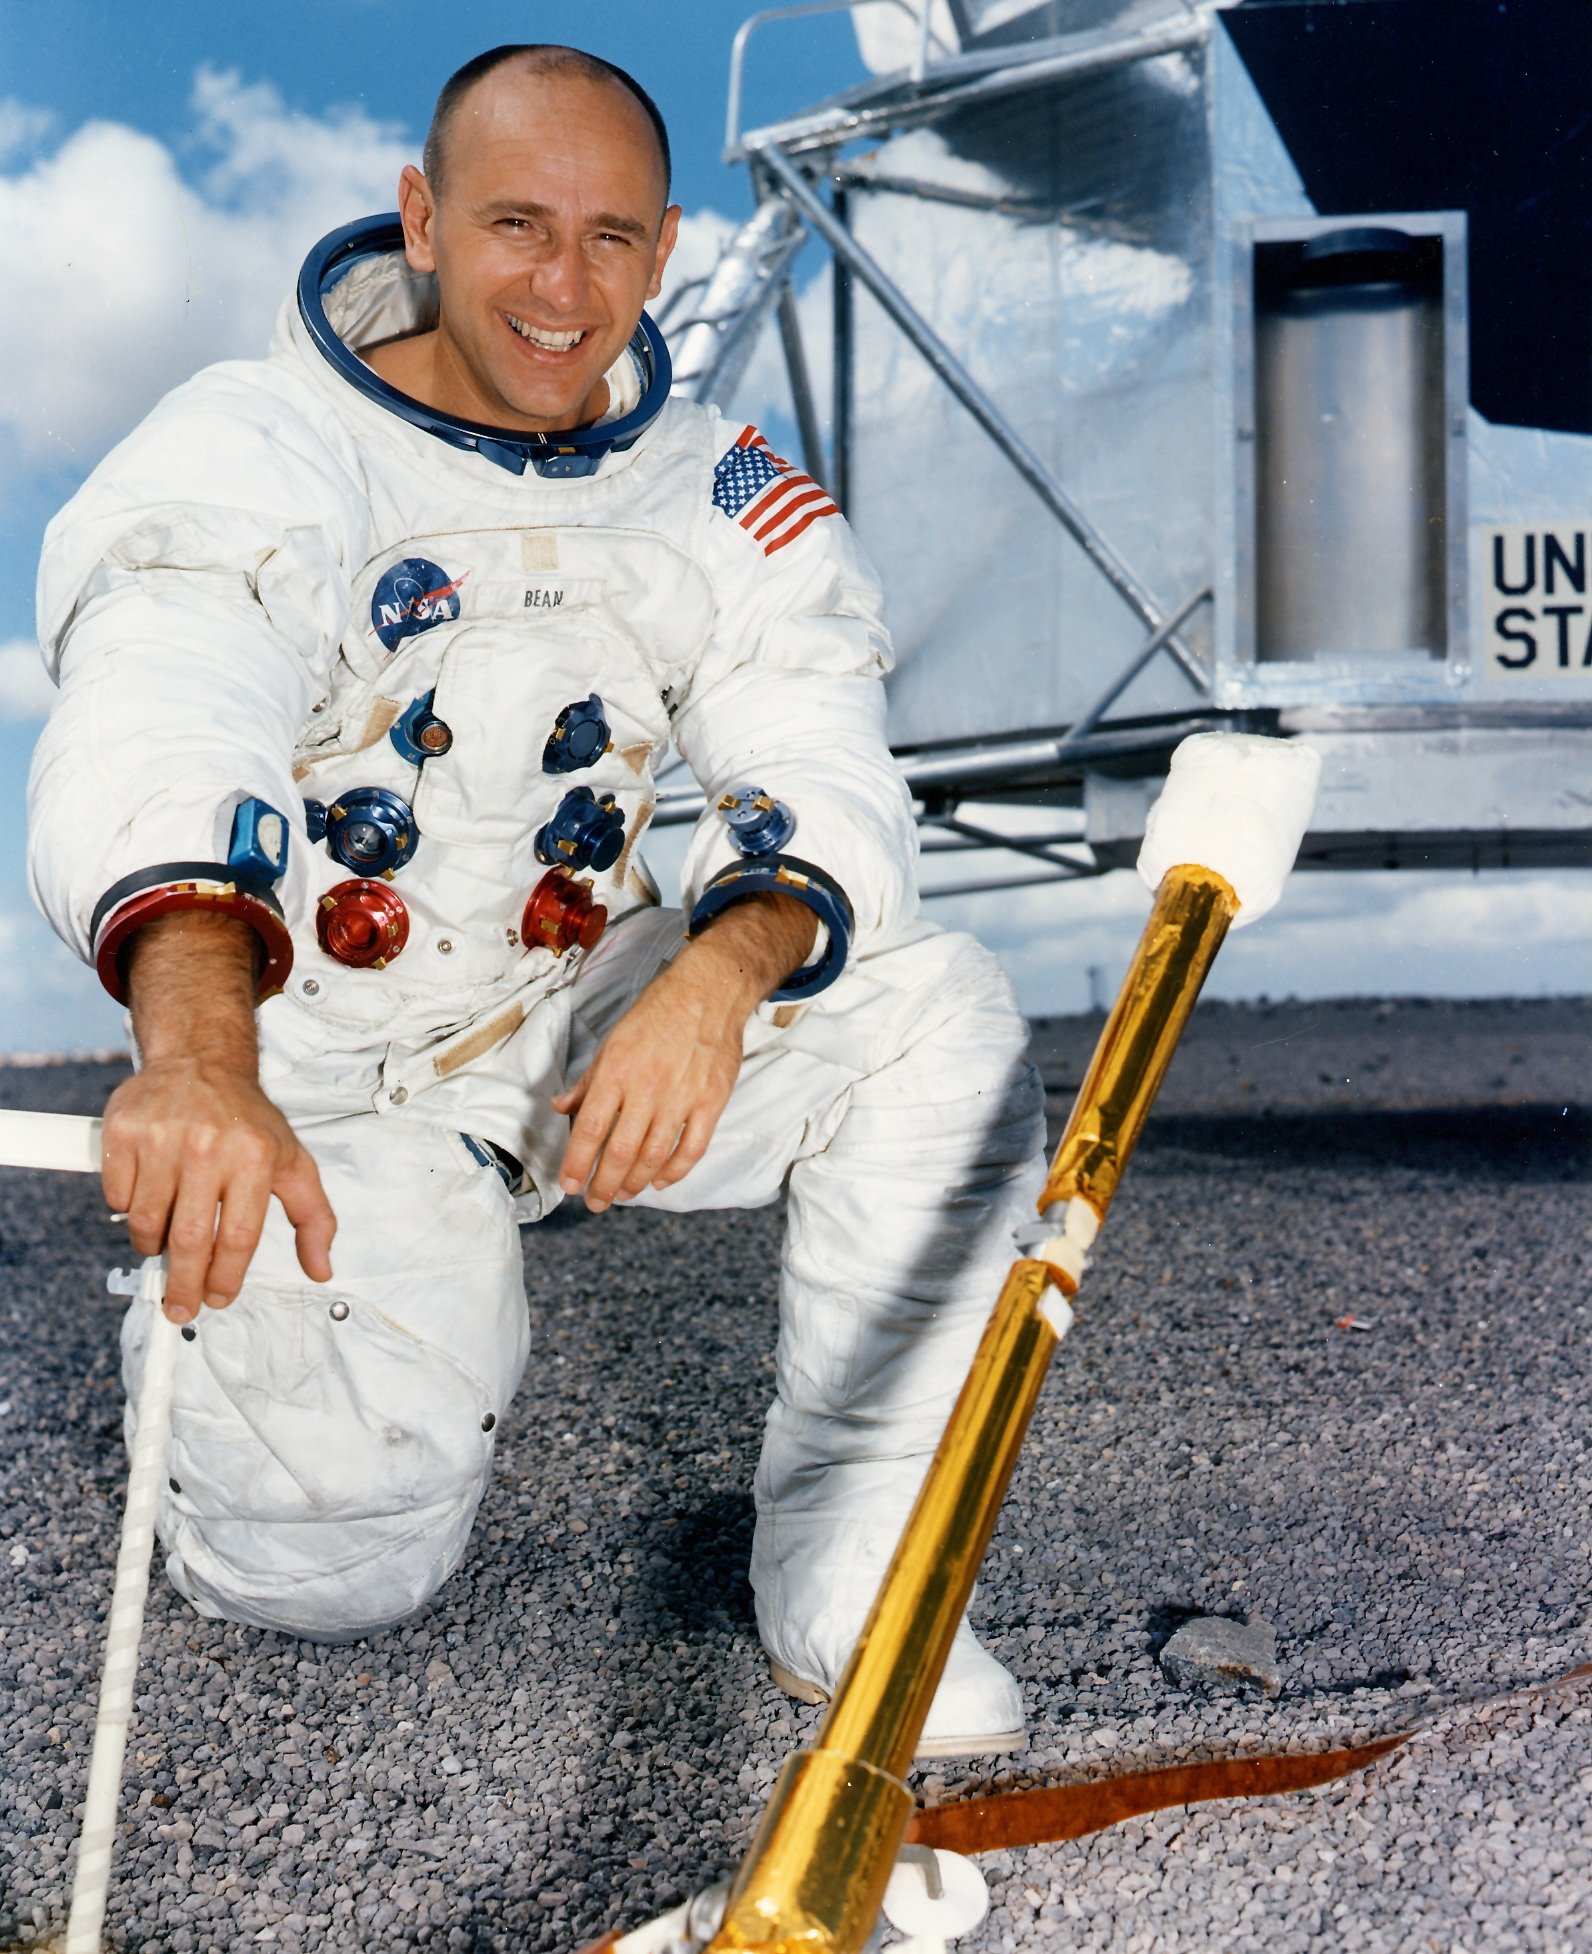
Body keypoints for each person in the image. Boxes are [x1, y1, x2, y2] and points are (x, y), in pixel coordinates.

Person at [27, 46, 1044, 1758]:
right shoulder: (255, 445)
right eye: (515, 225)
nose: (564, 288)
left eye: (610, 237)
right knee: (330, 1564)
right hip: (320, 1072)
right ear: (422, 219)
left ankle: (860, 1554)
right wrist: (197, 1060)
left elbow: (821, 750)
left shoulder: (720, 491)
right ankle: (230, 1361)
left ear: (664, 249)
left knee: (935, 1019)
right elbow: (166, 713)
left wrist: (724, 970)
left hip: (572, 1020)